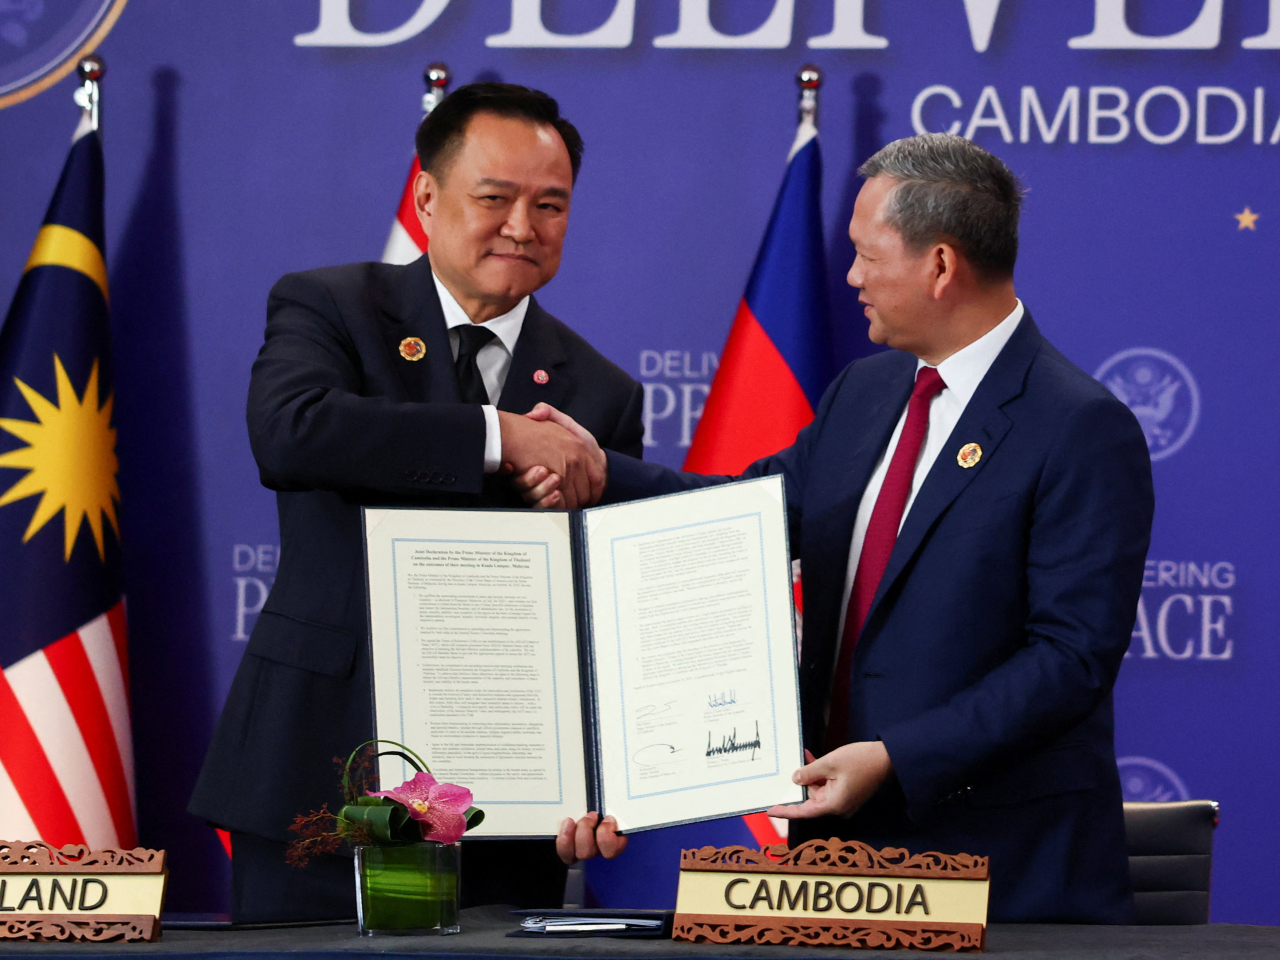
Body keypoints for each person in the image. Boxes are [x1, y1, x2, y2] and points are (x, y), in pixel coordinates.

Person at [516, 134, 1154, 923]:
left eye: (865, 254)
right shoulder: (866, 391)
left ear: (941, 265)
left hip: (1005, 873)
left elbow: (1070, 660)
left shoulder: (1081, 426)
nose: (850, 276)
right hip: (841, 857)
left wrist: (895, 758)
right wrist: (605, 474)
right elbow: (744, 517)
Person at [190, 83, 635, 922]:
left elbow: (601, 611)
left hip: (509, 796)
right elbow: (291, 433)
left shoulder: (601, 394)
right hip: (314, 768)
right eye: (494, 198)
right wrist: (501, 438)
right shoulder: (331, 306)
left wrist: (603, 781)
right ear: (427, 197)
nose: (522, 226)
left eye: (550, 204)